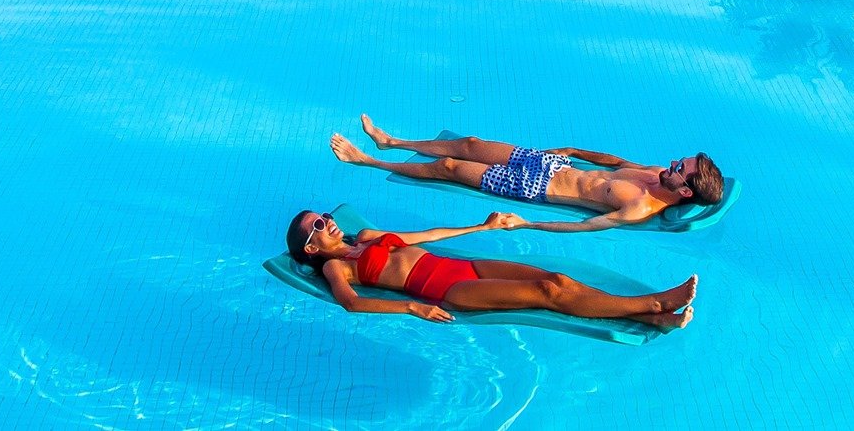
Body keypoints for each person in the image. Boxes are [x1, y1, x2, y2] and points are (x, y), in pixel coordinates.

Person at [285, 209, 696, 329]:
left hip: (462, 266)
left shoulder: (368, 236)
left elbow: (425, 234)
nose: (327, 220)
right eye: (317, 225)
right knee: (547, 294)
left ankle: (651, 317)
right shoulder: (336, 268)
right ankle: (655, 301)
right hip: (449, 292)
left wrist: (481, 226)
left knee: (558, 280)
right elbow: (353, 305)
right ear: (310, 246)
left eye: (323, 214)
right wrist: (413, 308)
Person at [330, 116, 724, 231]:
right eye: (679, 162)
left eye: (679, 169)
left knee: (448, 168)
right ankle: (392, 142)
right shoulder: (654, 172)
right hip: (553, 164)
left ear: (686, 192)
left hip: (533, 187)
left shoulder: (640, 207)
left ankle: (369, 161)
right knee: (469, 142)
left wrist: (527, 224)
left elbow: (584, 226)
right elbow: (613, 160)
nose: (672, 164)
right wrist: (573, 150)